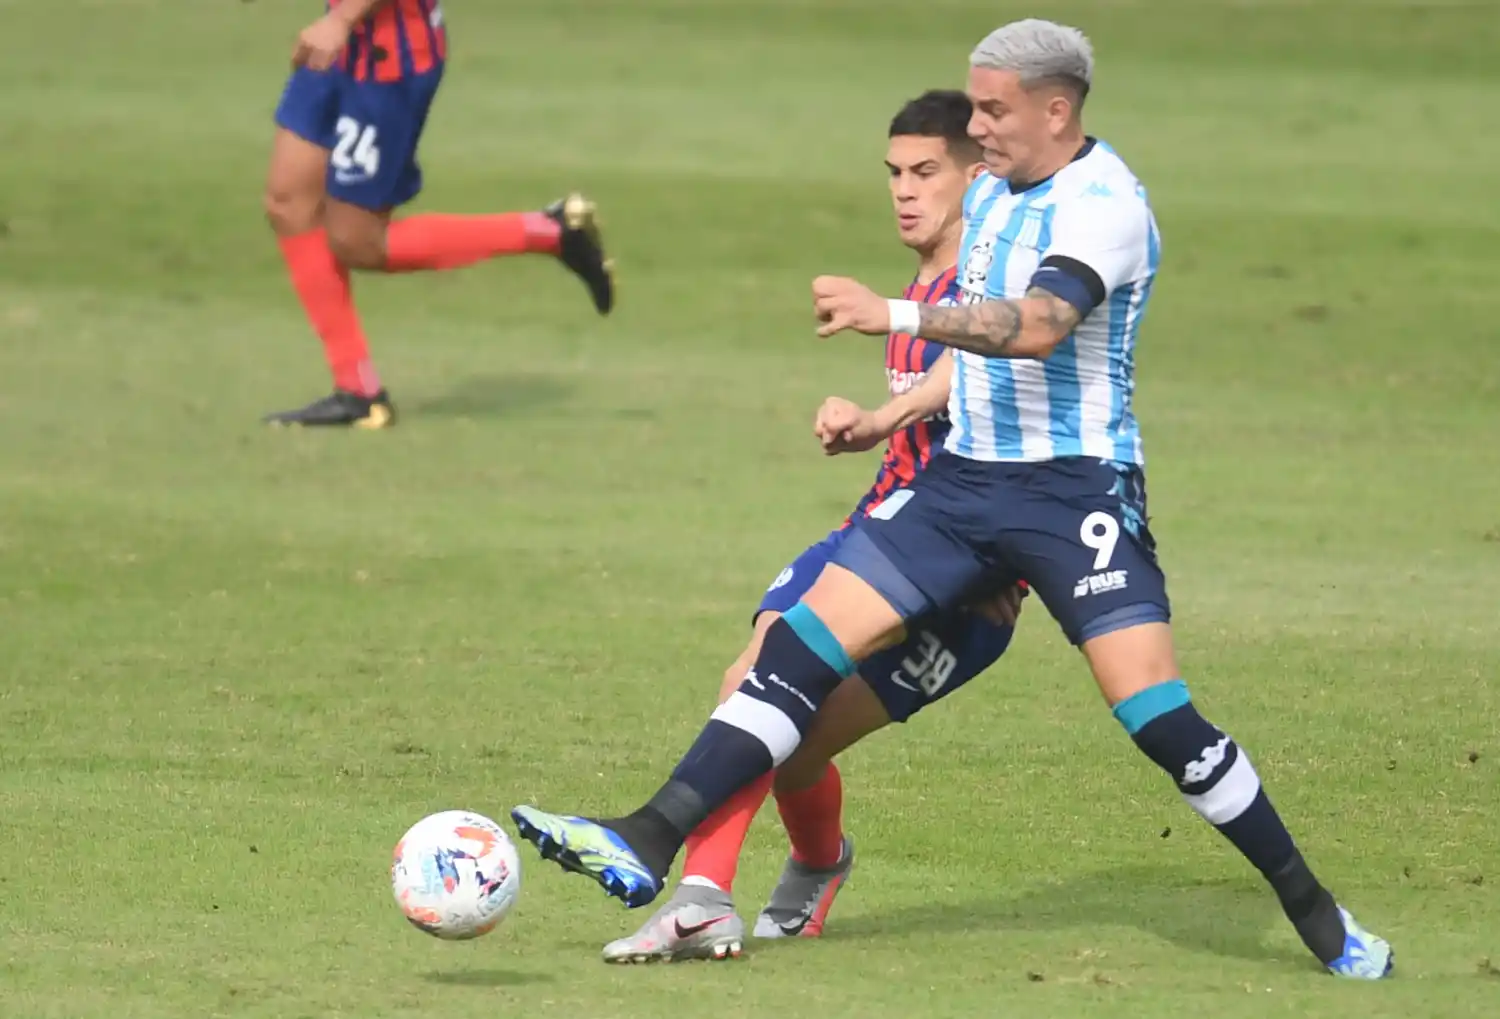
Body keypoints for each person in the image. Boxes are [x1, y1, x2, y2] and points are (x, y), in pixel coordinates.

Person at [509, 19, 1394, 981]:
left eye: (994, 109)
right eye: (973, 107)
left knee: (1158, 716)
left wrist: (889, 315)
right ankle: (648, 836)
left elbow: (1040, 327)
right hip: (962, 485)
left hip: (1073, 491)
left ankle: (1312, 906)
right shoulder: (994, 193)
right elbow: (974, 364)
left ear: (1057, 110)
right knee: (793, 645)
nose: (977, 127)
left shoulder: (1105, 205)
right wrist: (896, 414)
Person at [597, 90, 1018, 964]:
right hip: (874, 532)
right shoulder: (921, 286)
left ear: (978, 180)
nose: (904, 192)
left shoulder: (996, 293)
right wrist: (877, 420)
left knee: (786, 742)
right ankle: (719, 894)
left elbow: (983, 392)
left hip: (965, 588)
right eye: (894, 174)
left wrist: (880, 413)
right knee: (750, 683)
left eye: (926, 173)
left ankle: (796, 868)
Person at [262, 1, 613, 429]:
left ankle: (550, 232)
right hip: (340, 47)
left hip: (388, 58)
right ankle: (358, 392)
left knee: (358, 241)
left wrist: (341, 19)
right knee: (288, 201)